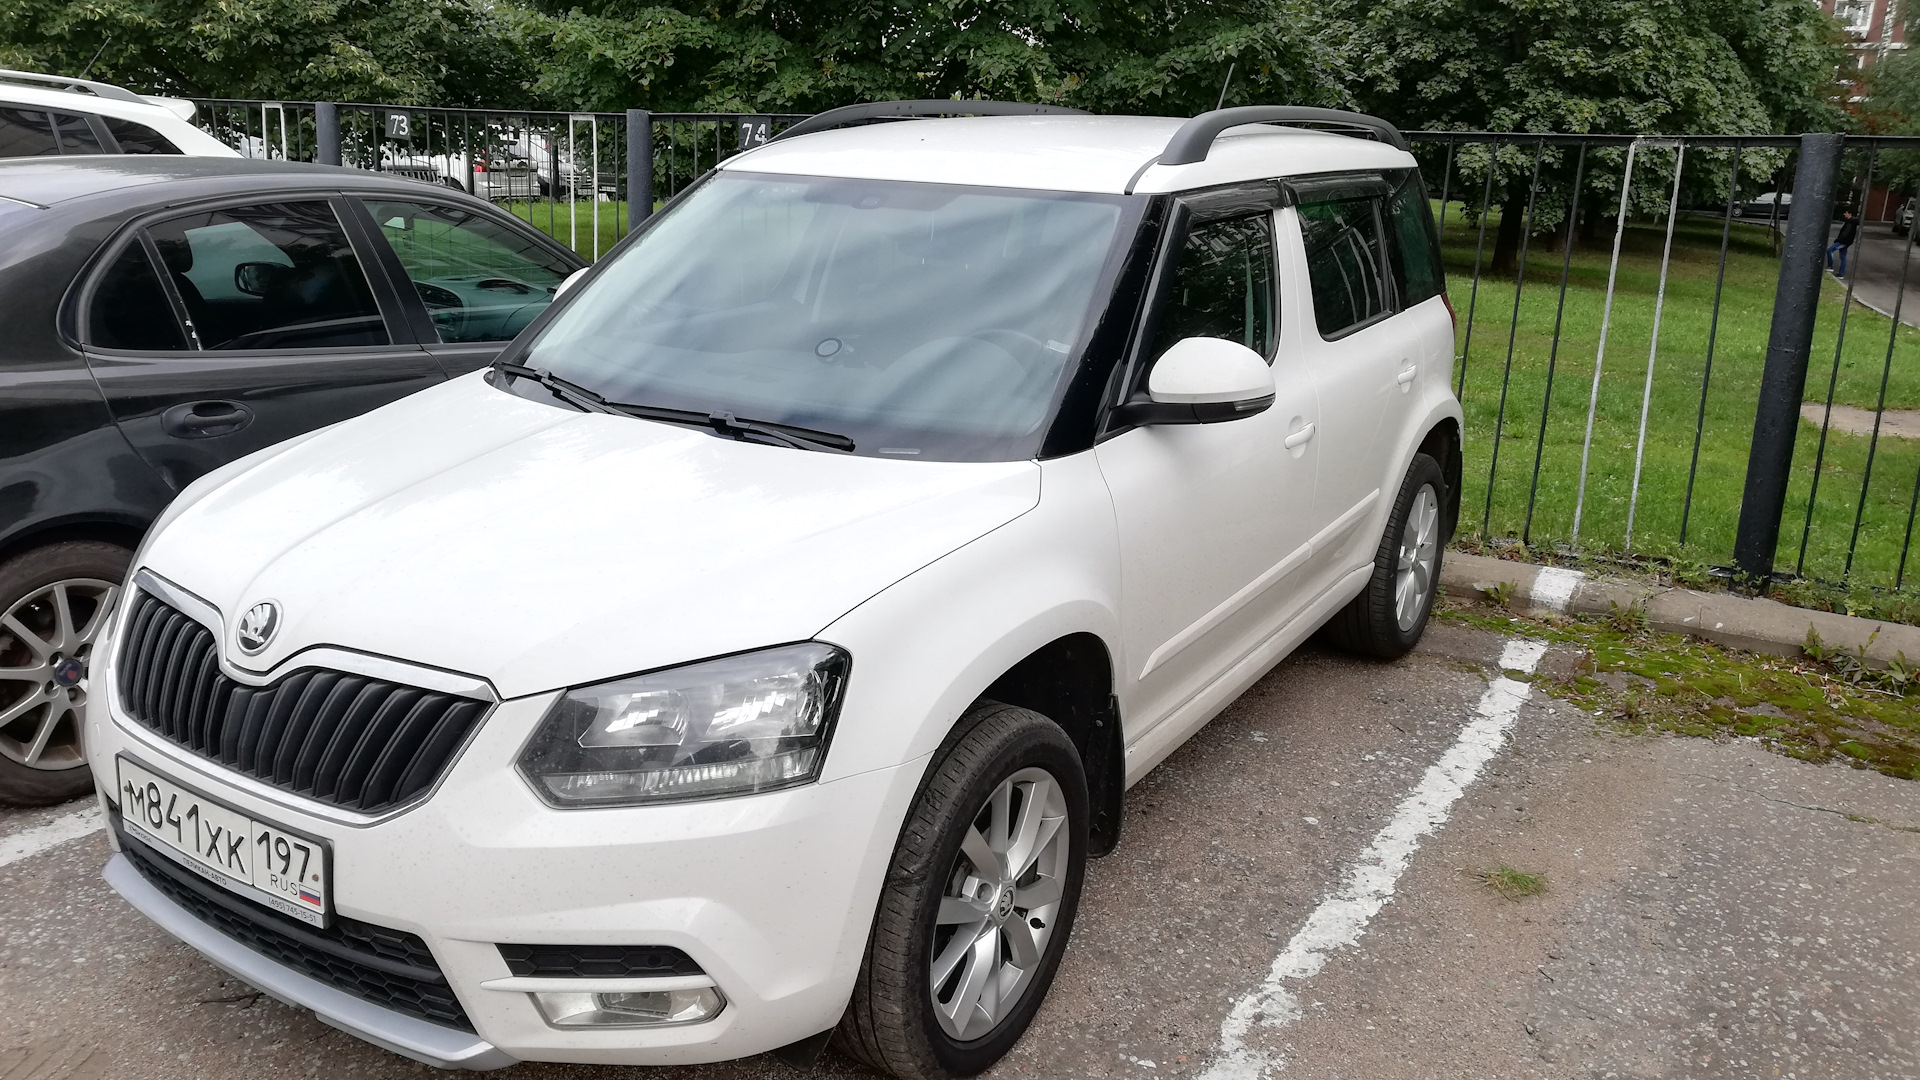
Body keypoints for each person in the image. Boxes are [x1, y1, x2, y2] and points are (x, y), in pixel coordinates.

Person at [1828, 209, 1859, 276]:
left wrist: (1839, 239)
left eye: (1846, 213)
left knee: (1829, 250)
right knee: (1843, 257)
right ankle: (1841, 273)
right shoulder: (1851, 222)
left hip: (1843, 241)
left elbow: (1845, 233)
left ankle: (1830, 266)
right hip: (1847, 242)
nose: (1845, 214)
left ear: (1850, 214)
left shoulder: (1850, 222)